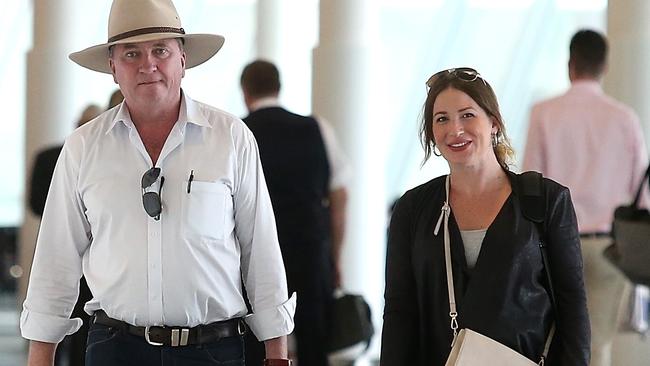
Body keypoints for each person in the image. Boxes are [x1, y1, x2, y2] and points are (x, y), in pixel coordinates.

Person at [20, 1, 295, 366]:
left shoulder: (231, 139)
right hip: (114, 349)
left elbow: (261, 250)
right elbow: (56, 260)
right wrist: (41, 357)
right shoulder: (82, 148)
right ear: (113, 68)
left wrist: (277, 355)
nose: (147, 64)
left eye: (160, 50)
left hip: (214, 350)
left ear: (182, 60)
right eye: (131, 53)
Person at [380, 67, 590, 365]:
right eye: (442, 119)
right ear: (432, 133)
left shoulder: (545, 201)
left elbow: (572, 306)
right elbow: (400, 310)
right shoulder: (413, 210)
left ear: (493, 122)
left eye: (467, 115)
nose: (455, 130)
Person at [523, 29, 649, 366]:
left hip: (557, 246)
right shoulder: (625, 119)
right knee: (598, 346)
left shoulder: (544, 114)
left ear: (570, 64)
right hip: (611, 248)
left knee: (557, 343)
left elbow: (530, 186)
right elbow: (643, 196)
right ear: (605, 66)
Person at [239, 60, 350, 366]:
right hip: (310, 250)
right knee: (315, 343)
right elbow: (340, 195)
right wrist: (335, 256)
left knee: (255, 344)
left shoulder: (238, 134)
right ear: (279, 86)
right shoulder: (317, 128)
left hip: (254, 259)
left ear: (245, 92)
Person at [28, 104, 101, 366]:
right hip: (71, 246)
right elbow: (37, 203)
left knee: (85, 325)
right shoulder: (68, 153)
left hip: (99, 264)